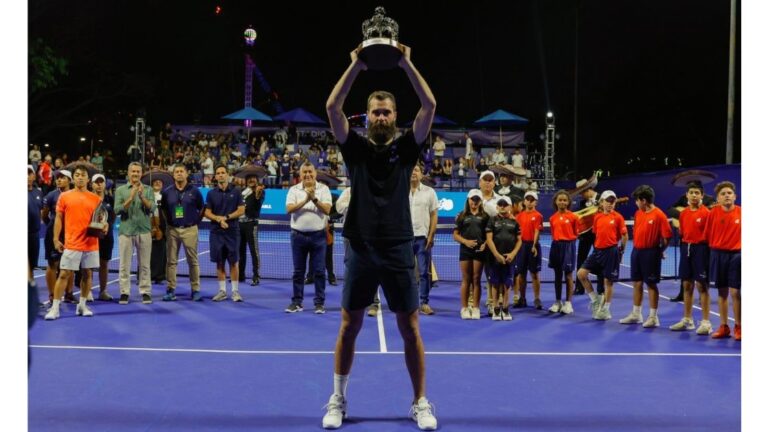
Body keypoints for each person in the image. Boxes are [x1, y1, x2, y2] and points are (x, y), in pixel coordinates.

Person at [322, 45, 437, 430]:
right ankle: (337, 397)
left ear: (395, 117)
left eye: (387, 111)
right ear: (368, 117)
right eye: (376, 111)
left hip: (400, 249)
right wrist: (355, 63)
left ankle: (420, 401)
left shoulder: (407, 150)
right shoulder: (353, 149)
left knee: (410, 329)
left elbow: (430, 106)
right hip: (360, 248)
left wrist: (406, 61)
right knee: (348, 325)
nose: (382, 116)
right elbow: (332, 108)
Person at [44, 164, 105, 320]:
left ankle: (82, 305)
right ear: (73, 178)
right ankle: (55, 308)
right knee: (64, 274)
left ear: (87, 179)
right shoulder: (64, 197)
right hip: (72, 243)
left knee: (87, 274)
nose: (79, 177)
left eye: (83, 175)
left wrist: (105, 226)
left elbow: (101, 219)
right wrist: (56, 239)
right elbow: (58, 218)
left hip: (91, 244)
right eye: (77, 175)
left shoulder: (96, 198)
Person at [619, 185, 672, 327]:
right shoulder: (638, 213)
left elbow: (667, 237)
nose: (636, 203)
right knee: (636, 282)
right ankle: (636, 314)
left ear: (643, 200)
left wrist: (660, 250)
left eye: (637, 200)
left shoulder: (659, 215)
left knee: (651, 284)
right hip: (636, 252)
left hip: (651, 253)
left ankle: (653, 317)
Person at [285, 162, 332, 313]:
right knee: (298, 272)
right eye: (304, 172)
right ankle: (297, 302)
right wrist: (306, 199)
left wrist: (314, 199)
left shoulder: (324, 189)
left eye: (310, 172)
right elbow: (289, 209)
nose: (307, 175)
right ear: (300, 174)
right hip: (297, 236)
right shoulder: (294, 190)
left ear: (315, 174)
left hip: (318, 236)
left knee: (319, 271)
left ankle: (319, 303)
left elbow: (327, 209)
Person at [576, 190, 628, 320]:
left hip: (611, 251)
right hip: (597, 251)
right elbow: (596, 233)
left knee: (608, 282)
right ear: (602, 202)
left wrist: (621, 250)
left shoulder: (618, 217)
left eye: (613, 201)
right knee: (581, 274)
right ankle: (595, 300)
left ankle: (606, 310)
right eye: (608, 201)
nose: (610, 204)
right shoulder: (597, 217)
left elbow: (625, 235)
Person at [668, 181, 712, 334]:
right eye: (691, 192)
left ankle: (706, 322)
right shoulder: (684, 214)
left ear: (702, 195)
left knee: (702, 286)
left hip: (701, 250)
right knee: (687, 285)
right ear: (686, 195)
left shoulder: (707, 213)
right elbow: (682, 233)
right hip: (685, 248)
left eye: (697, 193)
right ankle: (688, 320)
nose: (694, 195)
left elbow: (710, 236)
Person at [160, 164, 205, 301]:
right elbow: (164, 210)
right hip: (172, 230)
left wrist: (195, 222)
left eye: (181, 171)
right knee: (171, 262)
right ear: (173, 175)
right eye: (177, 172)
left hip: (190, 229)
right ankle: (170, 289)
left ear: (186, 174)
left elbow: (202, 208)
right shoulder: (167, 192)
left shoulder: (194, 191)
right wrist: (169, 225)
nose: (179, 173)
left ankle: (195, 289)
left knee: (193, 261)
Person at [115, 162, 156, 305]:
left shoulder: (149, 190)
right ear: (128, 173)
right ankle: (124, 292)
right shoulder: (120, 190)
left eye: (138, 172)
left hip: (144, 231)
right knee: (124, 264)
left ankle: (145, 292)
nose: (135, 174)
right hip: (126, 231)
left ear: (141, 173)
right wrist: (131, 197)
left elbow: (152, 208)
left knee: (145, 265)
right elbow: (117, 210)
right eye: (133, 171)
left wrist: (142, 197)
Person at [204, 164, 246, 302]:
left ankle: (235, 292)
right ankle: (222, 291)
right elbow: (207, 212)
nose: (221, 175)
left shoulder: (237, 191)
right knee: (219, 262)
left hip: (232, 232)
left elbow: (241, 210)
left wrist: (226, 218)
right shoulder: (211, 194)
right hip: (216, 232)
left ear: (227, 175)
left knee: (234, 262)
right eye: (218, 173)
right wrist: (218, 219)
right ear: (215, 176)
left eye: (223, 172)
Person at [706, 181, 741, 340]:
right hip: (718, 255)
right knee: (722, 292)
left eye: (729, 193)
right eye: (723, 194)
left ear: (735, 196)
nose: (727, 195)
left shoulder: (743, 213)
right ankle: (724, 326)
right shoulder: (712, 214)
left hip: (737, 255)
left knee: (736, 292)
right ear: (718, 199)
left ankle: (739, 327)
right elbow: (706, 235)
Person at [485, 196, 522, 321]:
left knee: (507, 284)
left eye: (505, 204)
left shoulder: (515, 222)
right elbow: (489, 239)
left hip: (509, 259)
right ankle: (496, 308)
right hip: (494, 258)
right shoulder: (492, 220)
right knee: (495, 283)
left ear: (510, 207)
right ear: (496, 207)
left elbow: (519, 240)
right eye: (500, 204)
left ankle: (505, 308)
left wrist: (513, 254)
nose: (502, 206)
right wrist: (496, 255)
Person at [408, 164, 439, 314]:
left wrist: (431, 235)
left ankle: (424, 302)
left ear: (421, 174)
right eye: (411, 170)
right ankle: (406, 301)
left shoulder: (429, 192)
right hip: (404, 239)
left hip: (422, 238)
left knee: (424, 272)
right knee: (403, 272)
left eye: (416, 170)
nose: (413, 172)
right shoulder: (400, 192)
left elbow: (434, 215)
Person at [453, 189, 488, 319]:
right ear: (468, 200)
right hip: (465, 250)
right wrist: (465, 241)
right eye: (472, 199)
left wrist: (485, 244)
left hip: (480, 251)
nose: (474, 201)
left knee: (476, 279)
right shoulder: (462, 215)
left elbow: (489, 235)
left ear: (480, 201)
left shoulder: (485, 217)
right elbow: (455, 235)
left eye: (477, 199)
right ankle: (464, 308)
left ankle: (476, 308)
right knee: (466, 279)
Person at [42, 169, 75, 305]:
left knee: (71, 265)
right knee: (52, 264)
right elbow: (45, 215)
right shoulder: (51, 195)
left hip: (71, 234)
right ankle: (52, 295)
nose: (59, 180)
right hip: (53, 234)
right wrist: (52, 227)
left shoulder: (74, 195)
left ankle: (68, 293)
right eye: (58, 178)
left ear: (69, 180)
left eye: (62, 177)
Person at [547, 190, 578, 314]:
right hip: (556, 246)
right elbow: (553, 234)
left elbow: (576, 233)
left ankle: (568, 303)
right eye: (560, 200)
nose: (562, 202)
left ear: (568, 202)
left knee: (569, 275)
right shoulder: (552, 218)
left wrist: (569, 245)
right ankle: (558, 302)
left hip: (569, 246)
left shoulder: (573, 217)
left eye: (565, 200)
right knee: (557, 275)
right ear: (555, 201)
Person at [514, 191, 544, 309]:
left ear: (535, 202)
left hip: (533, 246)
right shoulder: (519, 216)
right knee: (521, 274)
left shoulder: (538, 216)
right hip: (521, 247)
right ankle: (522, 298)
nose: (530, 202)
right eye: (528, 199)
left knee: (535, 274)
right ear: (524, 201)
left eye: (532, 200)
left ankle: (537, 299)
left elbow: (537, 231)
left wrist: (534, 245)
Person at [574, 179, 603, 295]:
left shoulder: (602, 198)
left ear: (588, 190)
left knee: (600, 260)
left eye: (582, 192)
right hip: (585, 236)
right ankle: (579, 287)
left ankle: (601, 287)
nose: (581, 195)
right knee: (580, 259)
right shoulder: (582, 204)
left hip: (598, 235)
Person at [91, 174, 115, 301]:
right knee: (88, 265)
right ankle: (87, 291)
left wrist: (106, 226)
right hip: (91, 236)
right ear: (92, 184)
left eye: (101, 182)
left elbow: (113, 216)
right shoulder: (87, 198)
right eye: (96, 182)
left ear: (105, 184)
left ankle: (103, 291)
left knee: (104, 264)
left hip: (107, 236)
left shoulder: (110, 199)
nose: (99, 184)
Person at [238, 174, 266, 286]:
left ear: (257, 180)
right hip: (239, 224)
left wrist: (257, 194)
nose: (251, 180)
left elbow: (258, 202)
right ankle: (240, 275)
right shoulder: (242, 191)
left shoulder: (260, 191)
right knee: (240, 251)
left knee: (254, 251)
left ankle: (256, 276)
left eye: (253, 178)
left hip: (251, 224)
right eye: (249, 178)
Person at [150, 178, 167, 284]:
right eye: (155, 181)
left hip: (163, 228)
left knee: (161, 252)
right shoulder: (147, 196)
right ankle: (145, 275)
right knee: (146, 252)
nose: (157, 182)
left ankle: (159, 276)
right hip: (148, 227)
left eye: (160, 181)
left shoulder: (165, 197)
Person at [28, 166, 43, 273]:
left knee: (32, 264)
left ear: (34, 176)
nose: (27, 176)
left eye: (29, 173)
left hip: (34, 233)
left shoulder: (38, 192)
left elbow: (42, 210)